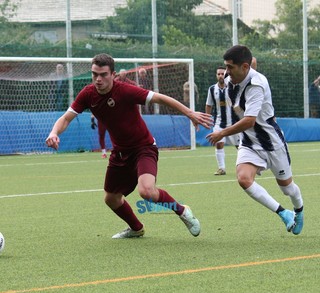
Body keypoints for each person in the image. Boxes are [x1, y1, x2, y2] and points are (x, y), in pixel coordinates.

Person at [46, 53, 213, 239]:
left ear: (113, 74)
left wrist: (189, 113)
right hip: (120, 152)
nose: (98, 79)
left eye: (103, 75)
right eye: (94, 74)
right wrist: (54, 132)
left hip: (144, 148)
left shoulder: (125, 91)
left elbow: (160, 98)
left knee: (146, 191)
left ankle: (182, 211)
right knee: (111, 199)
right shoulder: (87, 94)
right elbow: (66, 118)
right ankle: (136, 228)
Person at [206, 45, 304, 235]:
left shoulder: (256, 85)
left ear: (244, 67)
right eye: (225, 67)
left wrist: (221, 133)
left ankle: (299, 210)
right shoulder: (231, 77)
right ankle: (284, 213)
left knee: (287, 189)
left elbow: (250, 121)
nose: (226, 72)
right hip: (249, 142)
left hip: (271, 142)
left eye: (230, 67)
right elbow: (252, 61)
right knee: (243, 178)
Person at [205, 66, 240, 175]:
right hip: (219, 123)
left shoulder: (233, 87)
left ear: (226, 75)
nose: (220, 76)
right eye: (218, 74)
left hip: (234, 123)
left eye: (222, 74)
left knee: (240, 146)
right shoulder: (212, 89)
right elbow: (208, 105)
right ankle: (222, 168)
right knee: (219, 143)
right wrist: (207, 118)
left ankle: (249, 165)